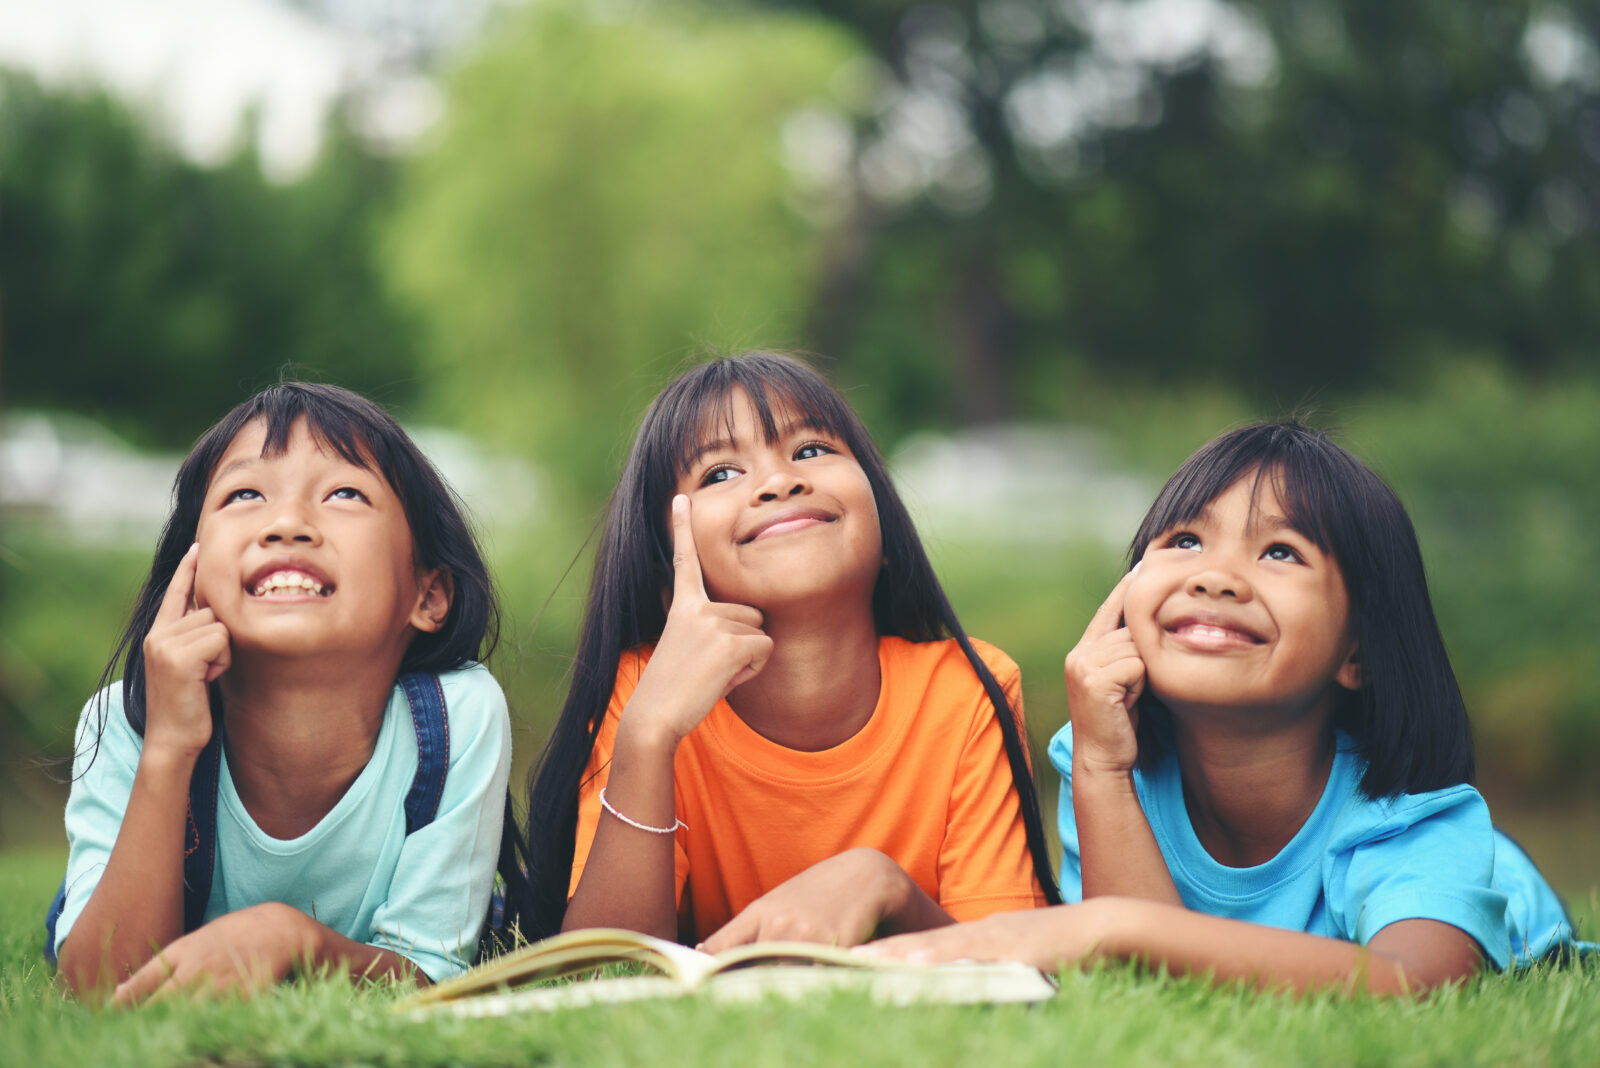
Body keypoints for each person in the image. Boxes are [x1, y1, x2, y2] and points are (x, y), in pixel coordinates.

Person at [863, 421, 1584, 993]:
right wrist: (1102, 766)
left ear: (1357, 652)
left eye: (1280, 552)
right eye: (1183, 541)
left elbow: (1417, 985)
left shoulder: (1413, 819)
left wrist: (1114, 926)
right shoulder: (1107, 765)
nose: (1215, 577)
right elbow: (1141, 986)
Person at [523, 352, 1059, 949]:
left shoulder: (968, 690)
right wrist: (649, 733)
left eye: (810, 451)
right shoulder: (645, 691)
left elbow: (1008, 962)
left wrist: (885, 888)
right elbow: (604, 971)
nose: (780, 481)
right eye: (720, 474)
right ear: (667, 576)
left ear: (884, 527)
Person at [51, 383, 528, 1001]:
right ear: (189, 577)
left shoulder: (458, 717)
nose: (287, 524)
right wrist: (168, 748)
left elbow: (432, 975)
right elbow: (99, 989)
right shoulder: (127, 720)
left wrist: (288, 939)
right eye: (245, 494)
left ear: (427, 594)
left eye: (345, 493)